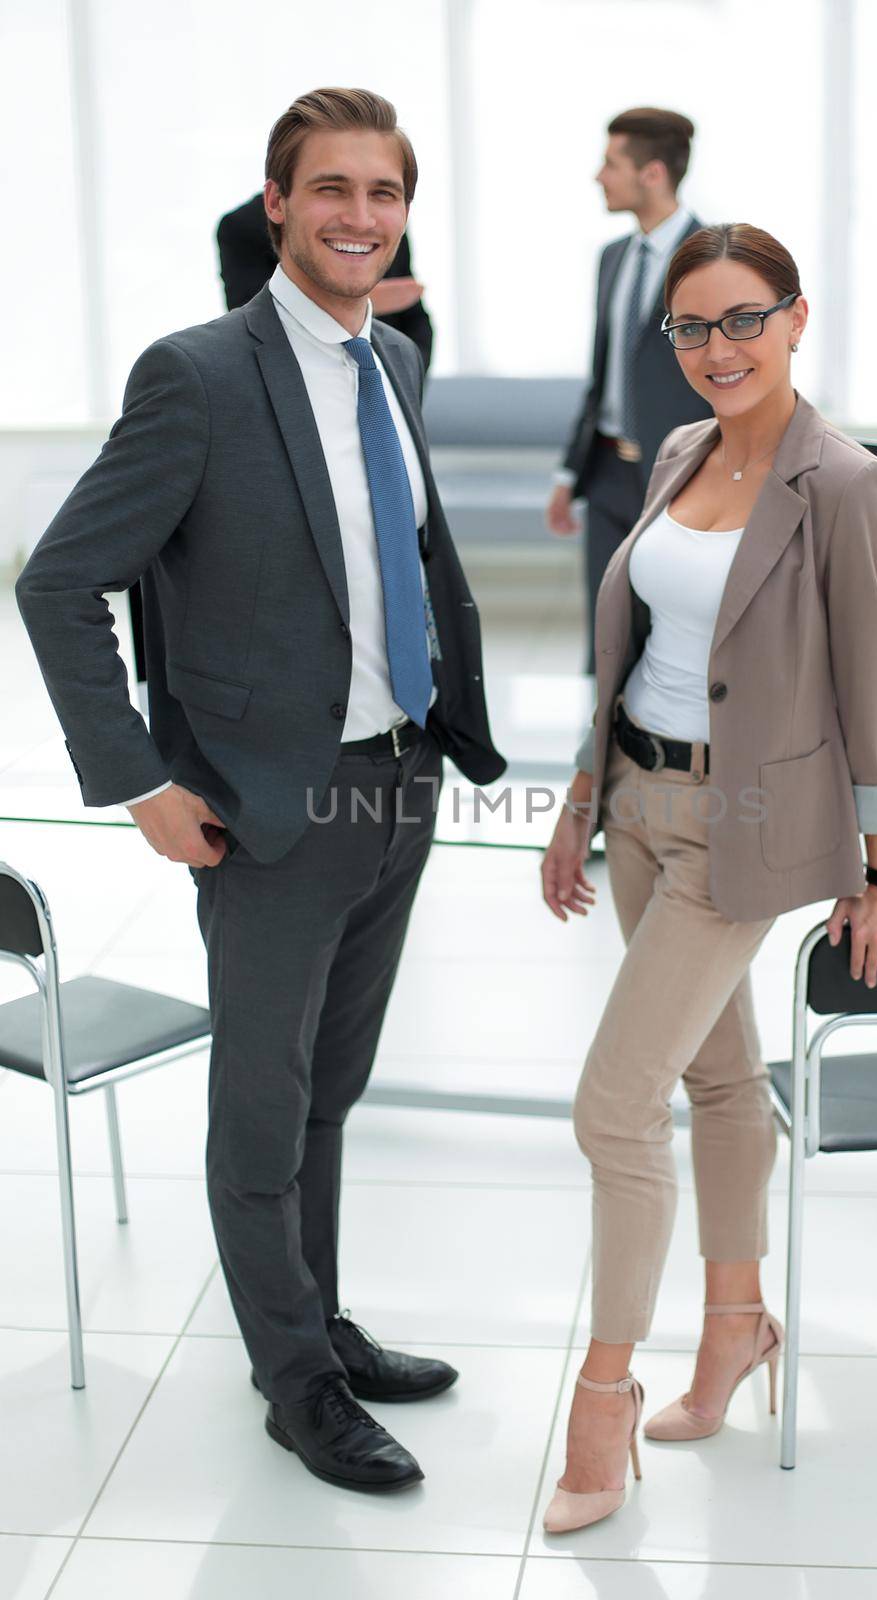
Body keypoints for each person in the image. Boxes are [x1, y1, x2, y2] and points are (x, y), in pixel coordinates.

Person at [16, 86, 505, 1496]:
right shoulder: (199, 376)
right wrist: (142, 783)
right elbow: (58, 584)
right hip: (267, 808)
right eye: (332, 189)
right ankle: (295, 1383)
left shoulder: (394, 363)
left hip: (397, 782)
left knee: (329, 1095)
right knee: (261, 1104)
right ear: (278, 202)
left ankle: (319, 1325)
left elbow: (400, 562)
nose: (360, 215)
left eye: (385, 193)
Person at [538, 223, 877, 1534]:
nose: (717, 349)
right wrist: (580, 808)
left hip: (738, 829)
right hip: (636, 803)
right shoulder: (687, 451)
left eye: (743, 319)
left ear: (796, 319)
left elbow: (875, 689)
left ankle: (601, 1401)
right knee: (710, 1075)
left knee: (612, 1108)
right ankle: (736, 1326)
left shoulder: (847, 484)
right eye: (692, 328)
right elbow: (633, 641)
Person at [546, 107, 711, 671]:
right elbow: (602, 376)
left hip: (683, 477)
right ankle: (603, 751)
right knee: (609, 636)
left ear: (653, 174)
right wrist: (570, 474)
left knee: (676, 636)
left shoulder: (717, 259)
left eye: (610, 163)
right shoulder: (612, 258)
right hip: (609, 475)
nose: (599, 176)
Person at [216, 189, 435, 373]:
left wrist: (402, 383)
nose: (360, 220)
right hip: (290, 379)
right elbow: (251, 319)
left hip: (383, 374)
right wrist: (358, 303)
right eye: (329, 186)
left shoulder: (383, 223)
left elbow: (417, 321)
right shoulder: (241, 226)